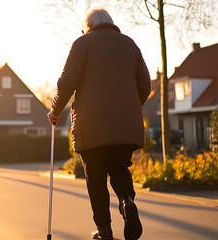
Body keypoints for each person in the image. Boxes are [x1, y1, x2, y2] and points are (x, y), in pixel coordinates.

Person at [47, 8, 151, 240]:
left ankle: (104, 230)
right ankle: (127, 202)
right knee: (119, 169)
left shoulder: (82, 44)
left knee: (95, 177)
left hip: (90, 127)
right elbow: (145, 85)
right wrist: (129, 108)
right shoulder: (130, 44)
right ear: (110, 24)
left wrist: (54, 111)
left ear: (89, 26)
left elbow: (65, 84)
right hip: (124, 127)